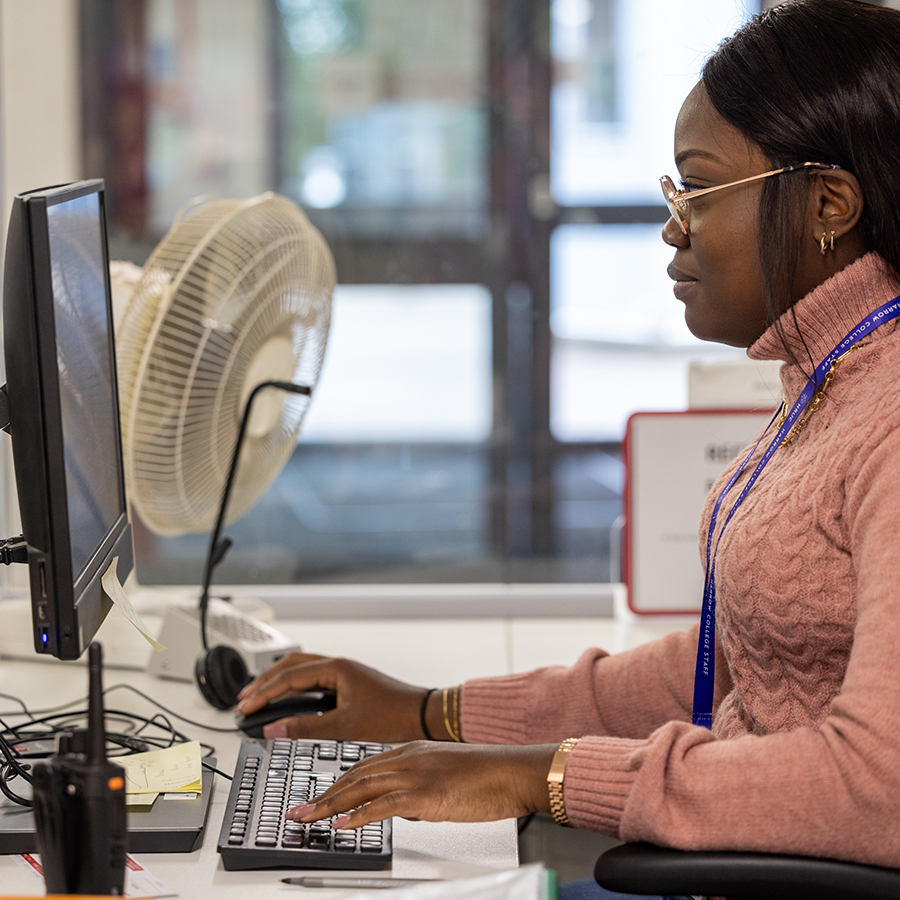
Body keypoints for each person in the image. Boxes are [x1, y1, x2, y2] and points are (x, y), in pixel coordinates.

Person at [237, 1, 900, 896]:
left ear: (828, 204)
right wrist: (430, 714)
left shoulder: (887, 418)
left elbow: (879, 788)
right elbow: (734, 662)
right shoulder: (829, 383)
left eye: (696, 192)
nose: (673, 228)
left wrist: (537, 775)